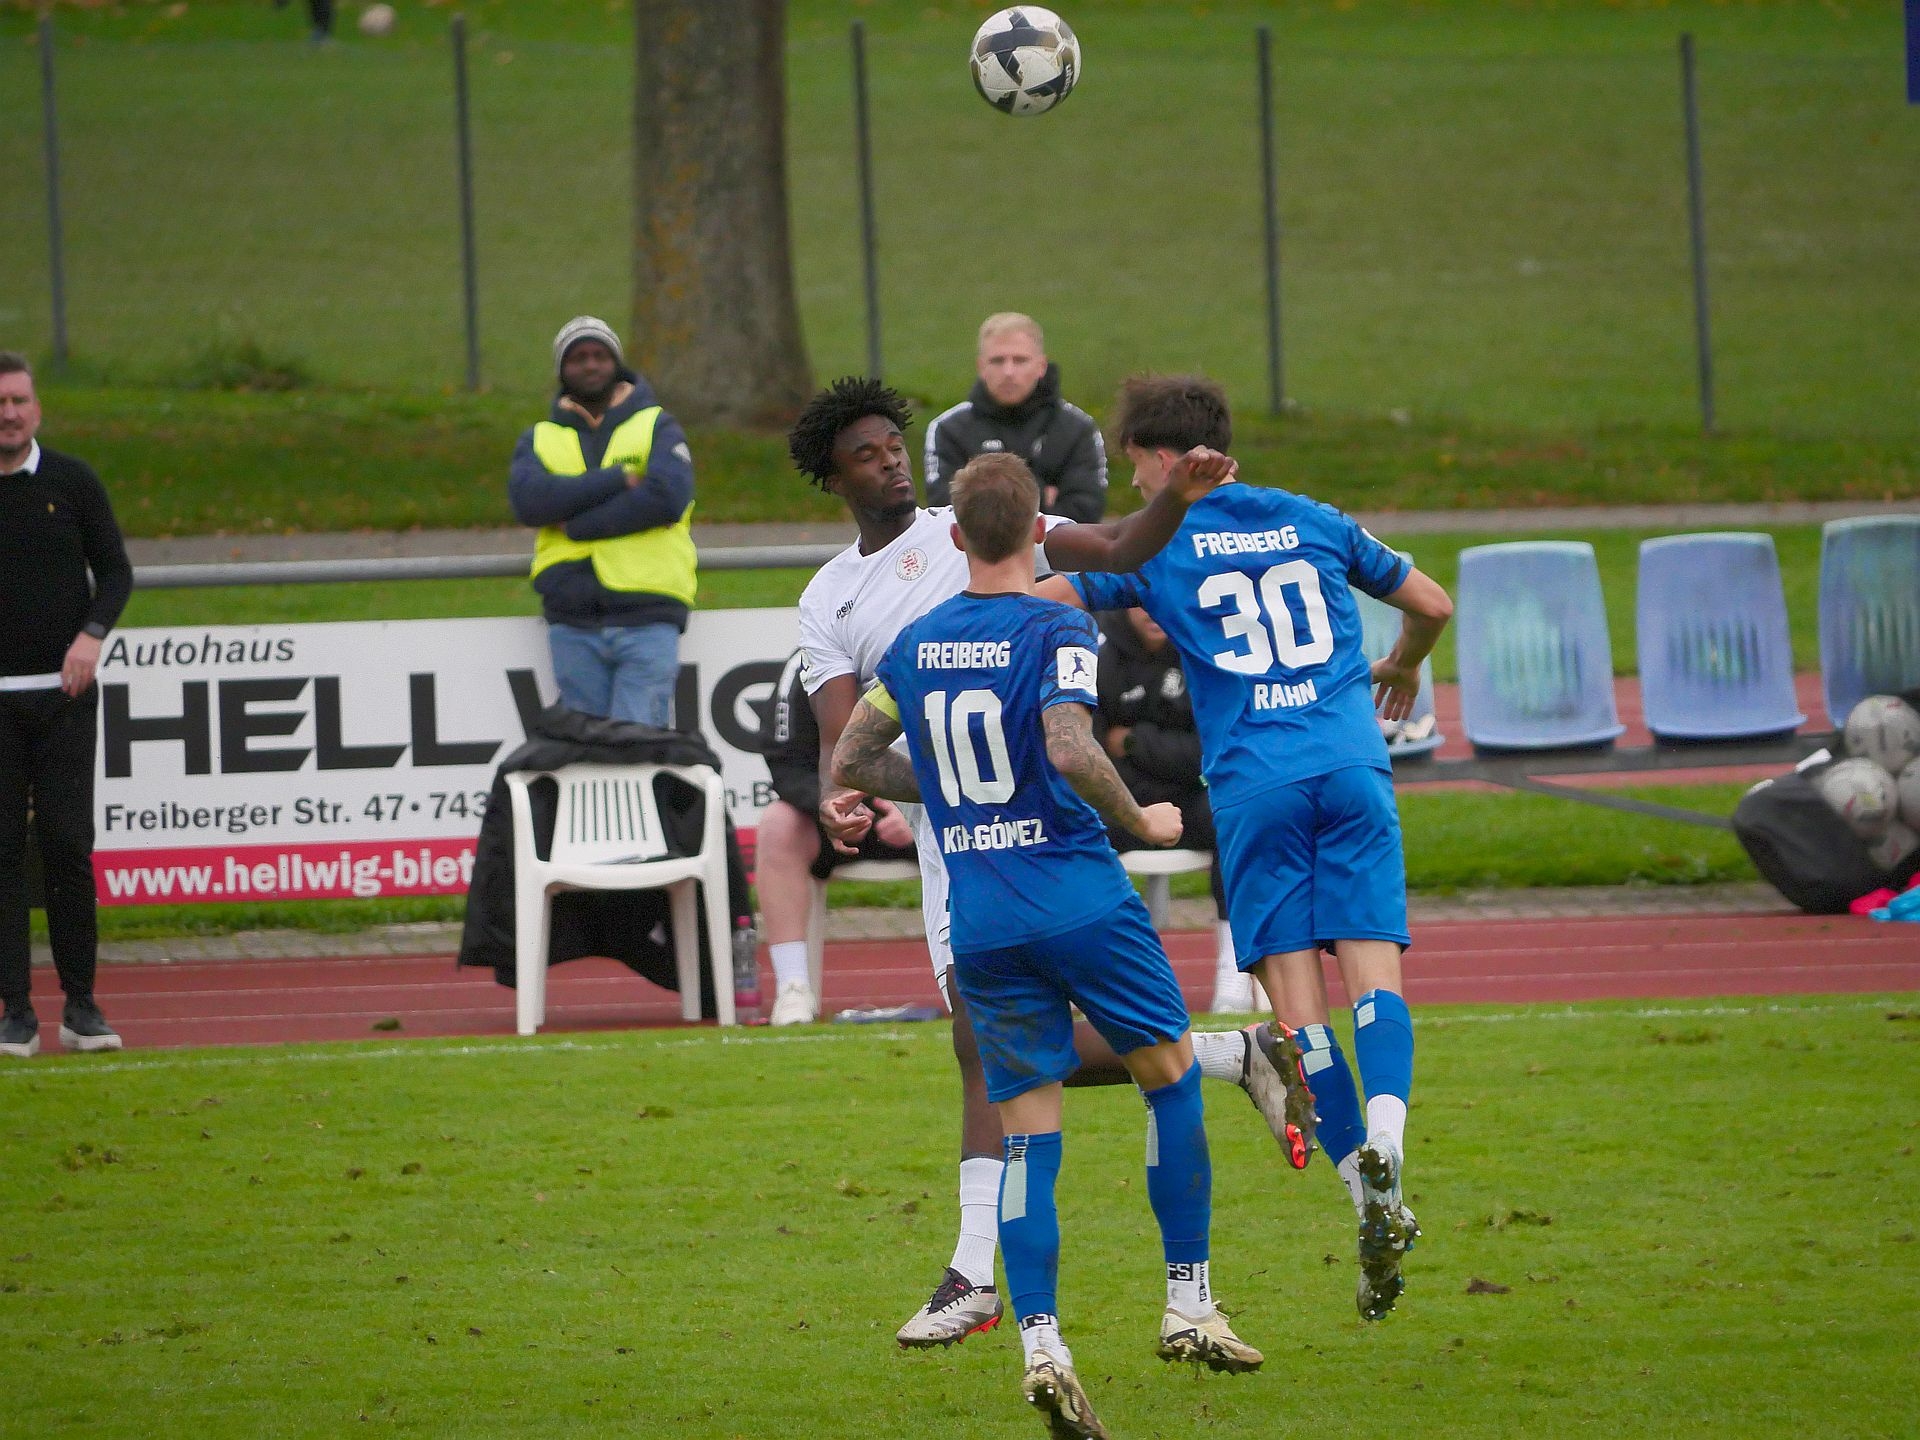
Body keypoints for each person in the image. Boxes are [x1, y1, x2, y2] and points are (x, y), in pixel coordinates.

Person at [787, 376, 1315, 1350]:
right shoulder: (830, 598)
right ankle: (1227, 1059)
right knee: (990, 1046)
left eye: (895, 446)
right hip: (957, 848)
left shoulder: (980, 523)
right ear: (832, 477)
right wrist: (865, 793)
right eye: (866, 454)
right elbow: (843, 749)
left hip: (1049, 839)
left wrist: (1174, 499)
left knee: (987, 1047)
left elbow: (1114, 548)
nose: (891, 462)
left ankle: (974, 1274)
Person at [832, 452, 1263, 1439]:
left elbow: (853, 757)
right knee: (1171, 1074)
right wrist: (1143, 819)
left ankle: (1042, 1346)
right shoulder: (1058, 625)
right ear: (1039, 532)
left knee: (1028, 1132)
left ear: (953, 536)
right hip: (1078, 899)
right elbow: (1069, 745)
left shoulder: (915, 641)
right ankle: (1188, 1302)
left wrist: (947, 787)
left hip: (982, 920)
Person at [1039, 373, 1454, 1323]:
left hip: (1255, 786)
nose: (1133, 486)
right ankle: (1387, 1143)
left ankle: (1367, 1195)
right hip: (1350, 763)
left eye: (1133, 467)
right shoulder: (1311, 517)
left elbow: (1041, 592)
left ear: (1158, 458)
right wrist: (1402, 663)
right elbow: (1432, 600)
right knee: (1375, 975)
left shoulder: (1155, 544)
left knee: (1298, 1014)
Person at [0, 352, 131, 1059]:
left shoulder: (73, 481)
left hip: (65, 701)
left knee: (67, 845)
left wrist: (91, 635)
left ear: (37, 408)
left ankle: (81, 1007)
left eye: (19, 400)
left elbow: (115, 571)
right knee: (2, 853)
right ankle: (15, 1012)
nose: (9, 414)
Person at [509, 316, 696, 729]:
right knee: (585, 748)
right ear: (562, 370)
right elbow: (530, 502)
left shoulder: (657, 424)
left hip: (648, 610)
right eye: (578, 358)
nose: (590, 365)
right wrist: (617, 479)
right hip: (572, 616)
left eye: (599, 355)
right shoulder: (539, 437)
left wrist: (576, 526)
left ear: (616, 363)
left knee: (639, 744)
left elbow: (666, 497)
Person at [1092, 605, 1252, 1014]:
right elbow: (1092, 757)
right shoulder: (1099, 661)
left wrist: (1134, 742)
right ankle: (1098, 974)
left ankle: (1235, 967)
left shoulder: (1201, 656)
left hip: (1190, 798)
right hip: (1125, 805)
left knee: (1236, 821)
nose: (1151, 611)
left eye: (1156, 598)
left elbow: (1210, 750)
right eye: (1137, 601)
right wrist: (1162, 756)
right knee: (1075, 832)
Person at [754, 651, 917, 1025]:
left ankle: (981, 985)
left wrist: (918, 808)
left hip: (930, 815)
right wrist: (829, 806)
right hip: (836, 823)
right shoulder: (806, 662)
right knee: (778, 824)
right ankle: (793, 988)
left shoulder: (936, 646)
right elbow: (784, 761)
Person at [923, 314, 1108, 522]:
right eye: (997, 361)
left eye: (1020, 360)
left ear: (1041, 366)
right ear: (981, 367)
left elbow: (1085, 514)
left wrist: (986, 497)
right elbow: (945, 514)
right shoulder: (948, 429)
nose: (1008, 372)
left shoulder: (1078, 428)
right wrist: (1042, 498)